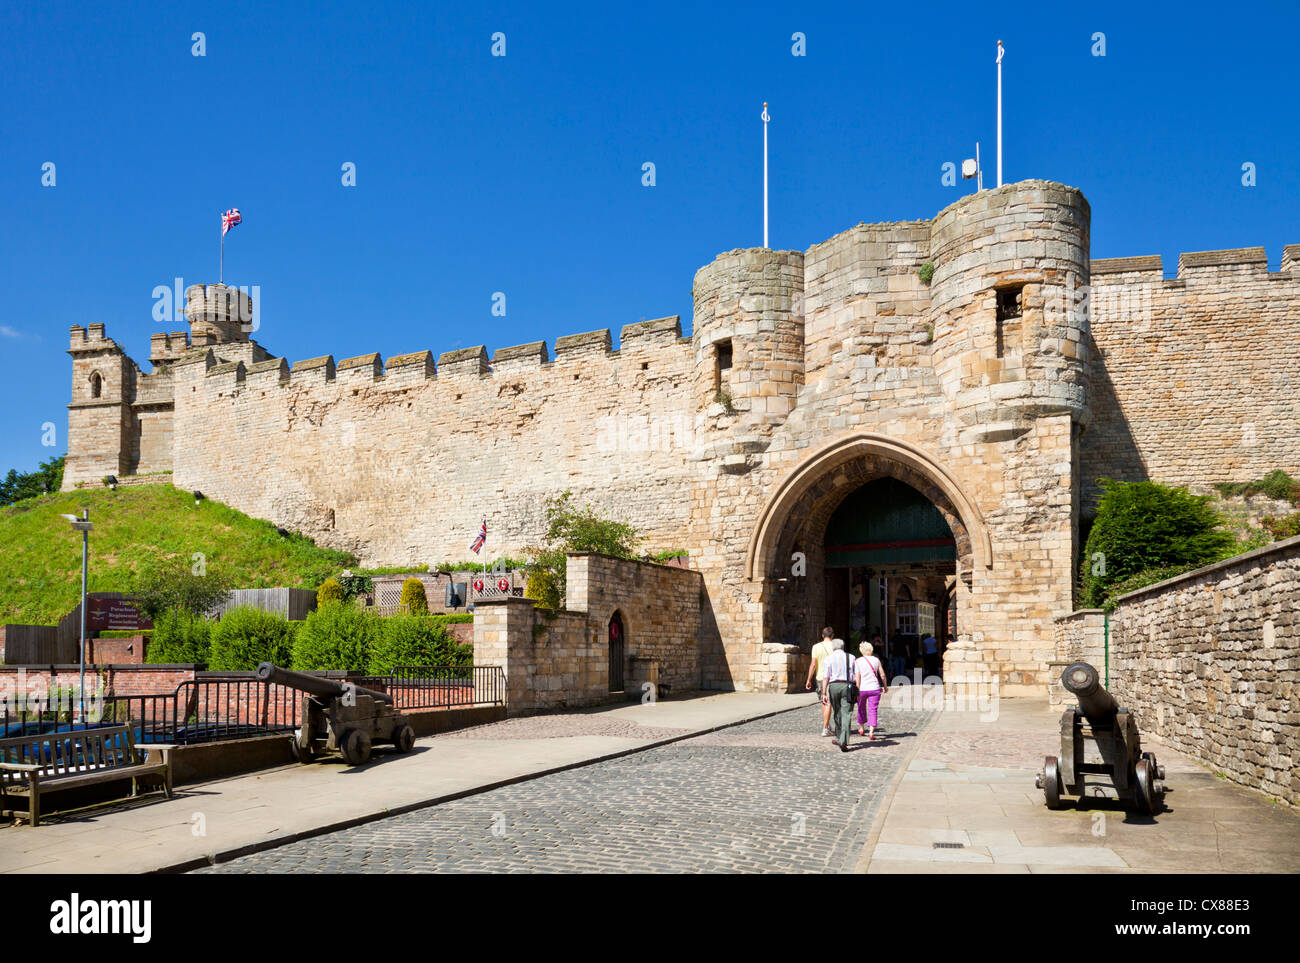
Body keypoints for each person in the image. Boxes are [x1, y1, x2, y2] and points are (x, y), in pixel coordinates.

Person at [804, 627, 837, 736]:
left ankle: (826, 726)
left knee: (824, 702)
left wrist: (808, 679)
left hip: (820, 677)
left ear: (822, 635)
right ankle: (825, 728)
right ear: (832, 636)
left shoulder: (816, 647)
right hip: (832, 678)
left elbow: (813, 664)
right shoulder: (835, 646)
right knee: (828, 703)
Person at [824, 639, 855, 751]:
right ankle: (843, 740)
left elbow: (826, 677)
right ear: (843, 646)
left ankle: (838, 737)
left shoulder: (828, 658)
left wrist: (824, 692)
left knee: (837, 712)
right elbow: (856, 675)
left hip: (833, 686)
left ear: (833, 648)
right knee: (846, 714)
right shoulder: (851, 657)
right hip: (847, 685)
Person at [855, 642, 888, 739]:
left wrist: (857, 688)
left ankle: (861, 728)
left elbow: (858, 676)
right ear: (871, 650)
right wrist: (885, 686)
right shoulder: (876, 660)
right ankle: (871, 731)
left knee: (861, 708)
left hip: (862, 689)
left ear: (861, 650)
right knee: (873, 710)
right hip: (874, 688)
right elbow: (882, 675)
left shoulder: (858, 661)